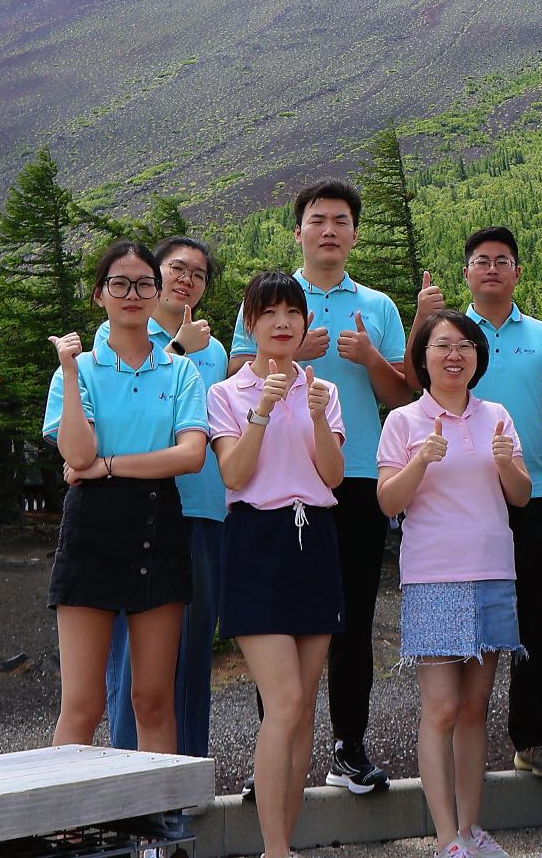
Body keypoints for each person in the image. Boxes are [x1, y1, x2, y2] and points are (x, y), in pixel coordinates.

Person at [228, 180, 408, 793]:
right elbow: (233, 371)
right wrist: (293, 351)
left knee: (351, 620)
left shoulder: (378, 306)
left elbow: (401, 395)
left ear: (354, 234)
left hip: (352, 474)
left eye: (339, 220)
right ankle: (273, 758)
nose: (328, 229)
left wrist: (369, 360)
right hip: (276, 485)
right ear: (299, 230)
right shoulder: (272, 296)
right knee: (276, 625)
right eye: (316, 219)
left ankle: (348, 747)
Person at [409, 227, 542, 780]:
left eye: (503, 260)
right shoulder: (449, 334)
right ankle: (453, 733)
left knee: (536, 618)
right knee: (465, 624)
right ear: (466, 273)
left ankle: (530, 737)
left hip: (530, 491)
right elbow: (417, 389)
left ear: (517, 272)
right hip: (462, 499)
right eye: (480, 260)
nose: (491, 269)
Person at [44, 241, 209, 755]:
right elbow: (75, 450)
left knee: (153, 700)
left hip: (158, 528)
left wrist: (108, 467)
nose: (132, 294)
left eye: (143, 284)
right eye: (120, 284)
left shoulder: (181, 371)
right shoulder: (79, 371)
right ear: (100, 295)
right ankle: (62, 830)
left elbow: (191, 456)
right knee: (82, 706)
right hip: (90, 532)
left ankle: (156, 836)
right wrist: (70, 371)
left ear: (157, 293)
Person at [378, 310, 532, 858]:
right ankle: (445, 838)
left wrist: (505, 462)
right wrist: (421, 459)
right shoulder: (404, 421)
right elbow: (388, 501)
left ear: (477, 358)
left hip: (492, 570)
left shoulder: (497, 416)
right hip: (434, 578)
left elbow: (519, 494)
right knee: (440, 709)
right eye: (442, 346)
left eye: (465, 346)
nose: (454, 355)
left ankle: (472, 829)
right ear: (422, 357)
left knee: (475, 708)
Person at [209, 271, 347, 858]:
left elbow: (334, 476)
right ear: (251, 323)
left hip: (314, 538)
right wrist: (264, 405)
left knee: (303, 707)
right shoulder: (227, 394)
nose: (284, 323)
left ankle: (284, 842)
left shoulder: (324, 389)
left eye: (293, 312)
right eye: (270, 314)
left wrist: (315, 415)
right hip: (257, 541)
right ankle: (273, 849)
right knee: (284, 701)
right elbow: (234, 475)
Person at [99, 236, 228, 771]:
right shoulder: (121, 335)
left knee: (195, 647)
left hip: (203, 508)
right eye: (177, 268)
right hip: (138, 511)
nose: (186, 280)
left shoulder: (216, 349)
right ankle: (128, 771)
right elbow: (133, 419)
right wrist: (177, 349)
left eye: (198, 274)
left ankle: (187, 773)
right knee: (133, 654)